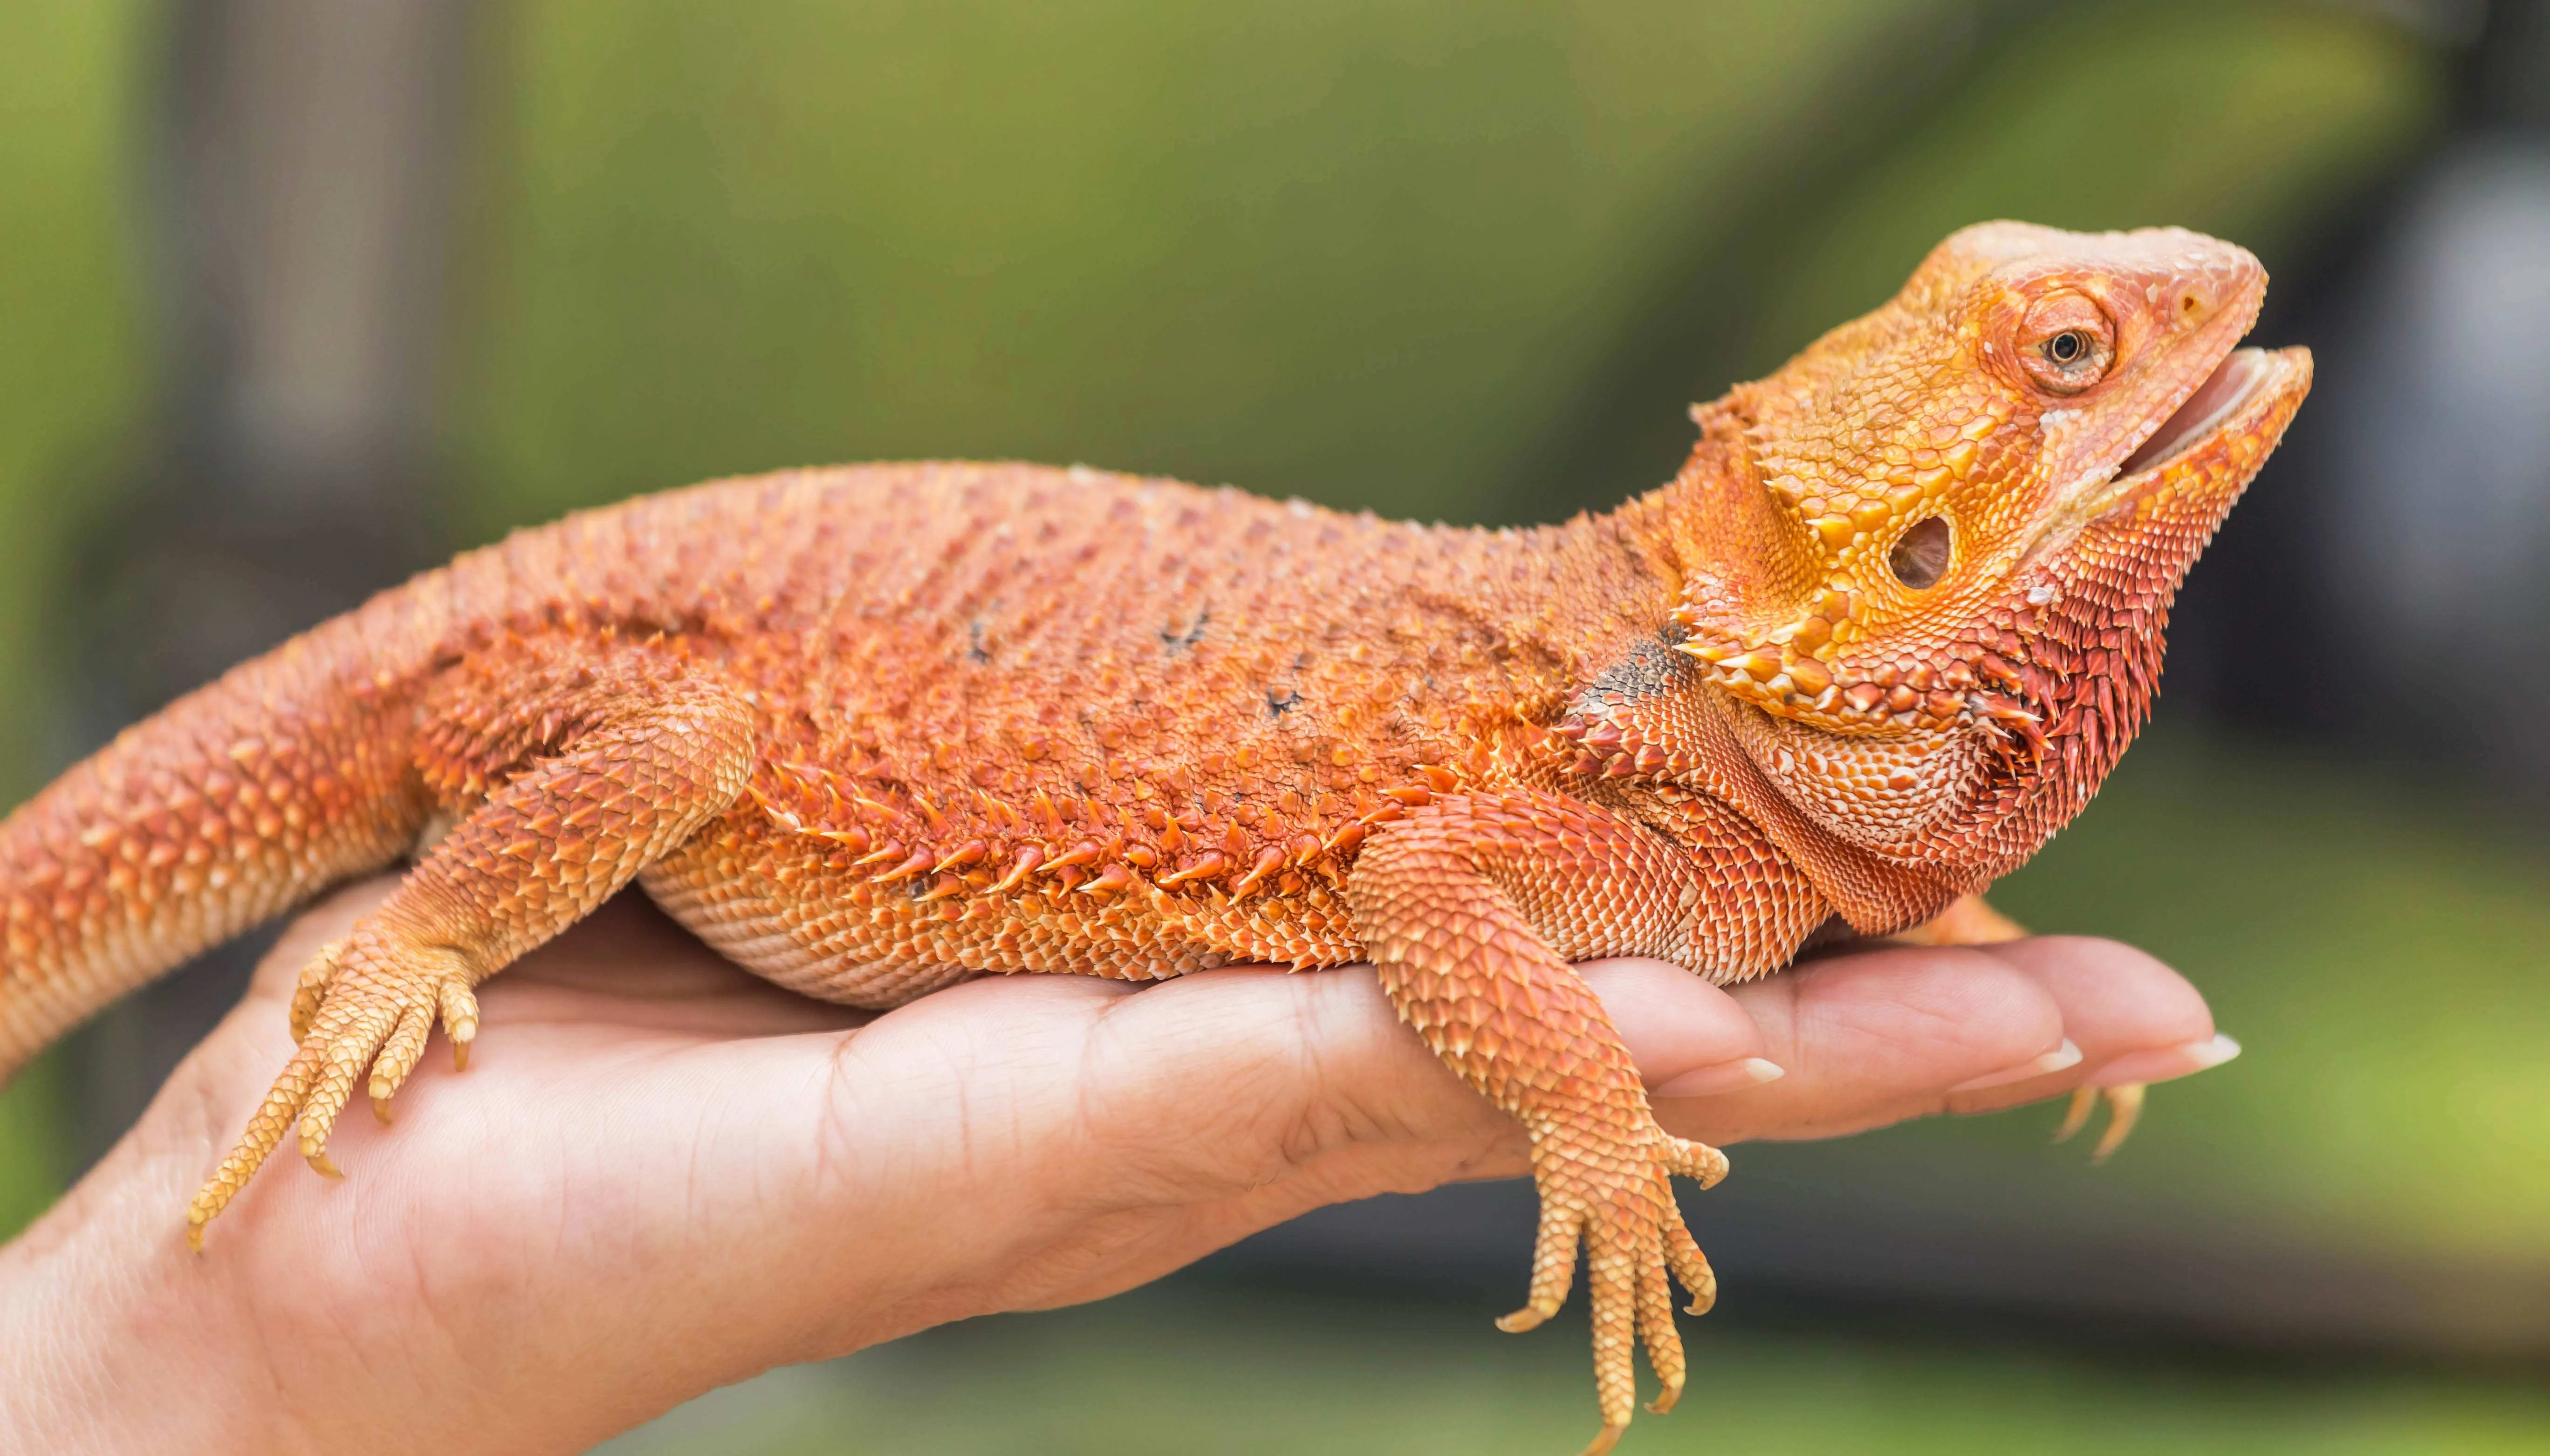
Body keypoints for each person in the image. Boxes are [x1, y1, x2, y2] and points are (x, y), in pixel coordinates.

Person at [0, 876, 2231, 1452]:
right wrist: (1579, 1110)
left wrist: (218, 1377)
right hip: (658, 708)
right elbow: (1448, 886)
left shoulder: (1694, 714)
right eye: (2056, 364)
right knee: (671, 727)